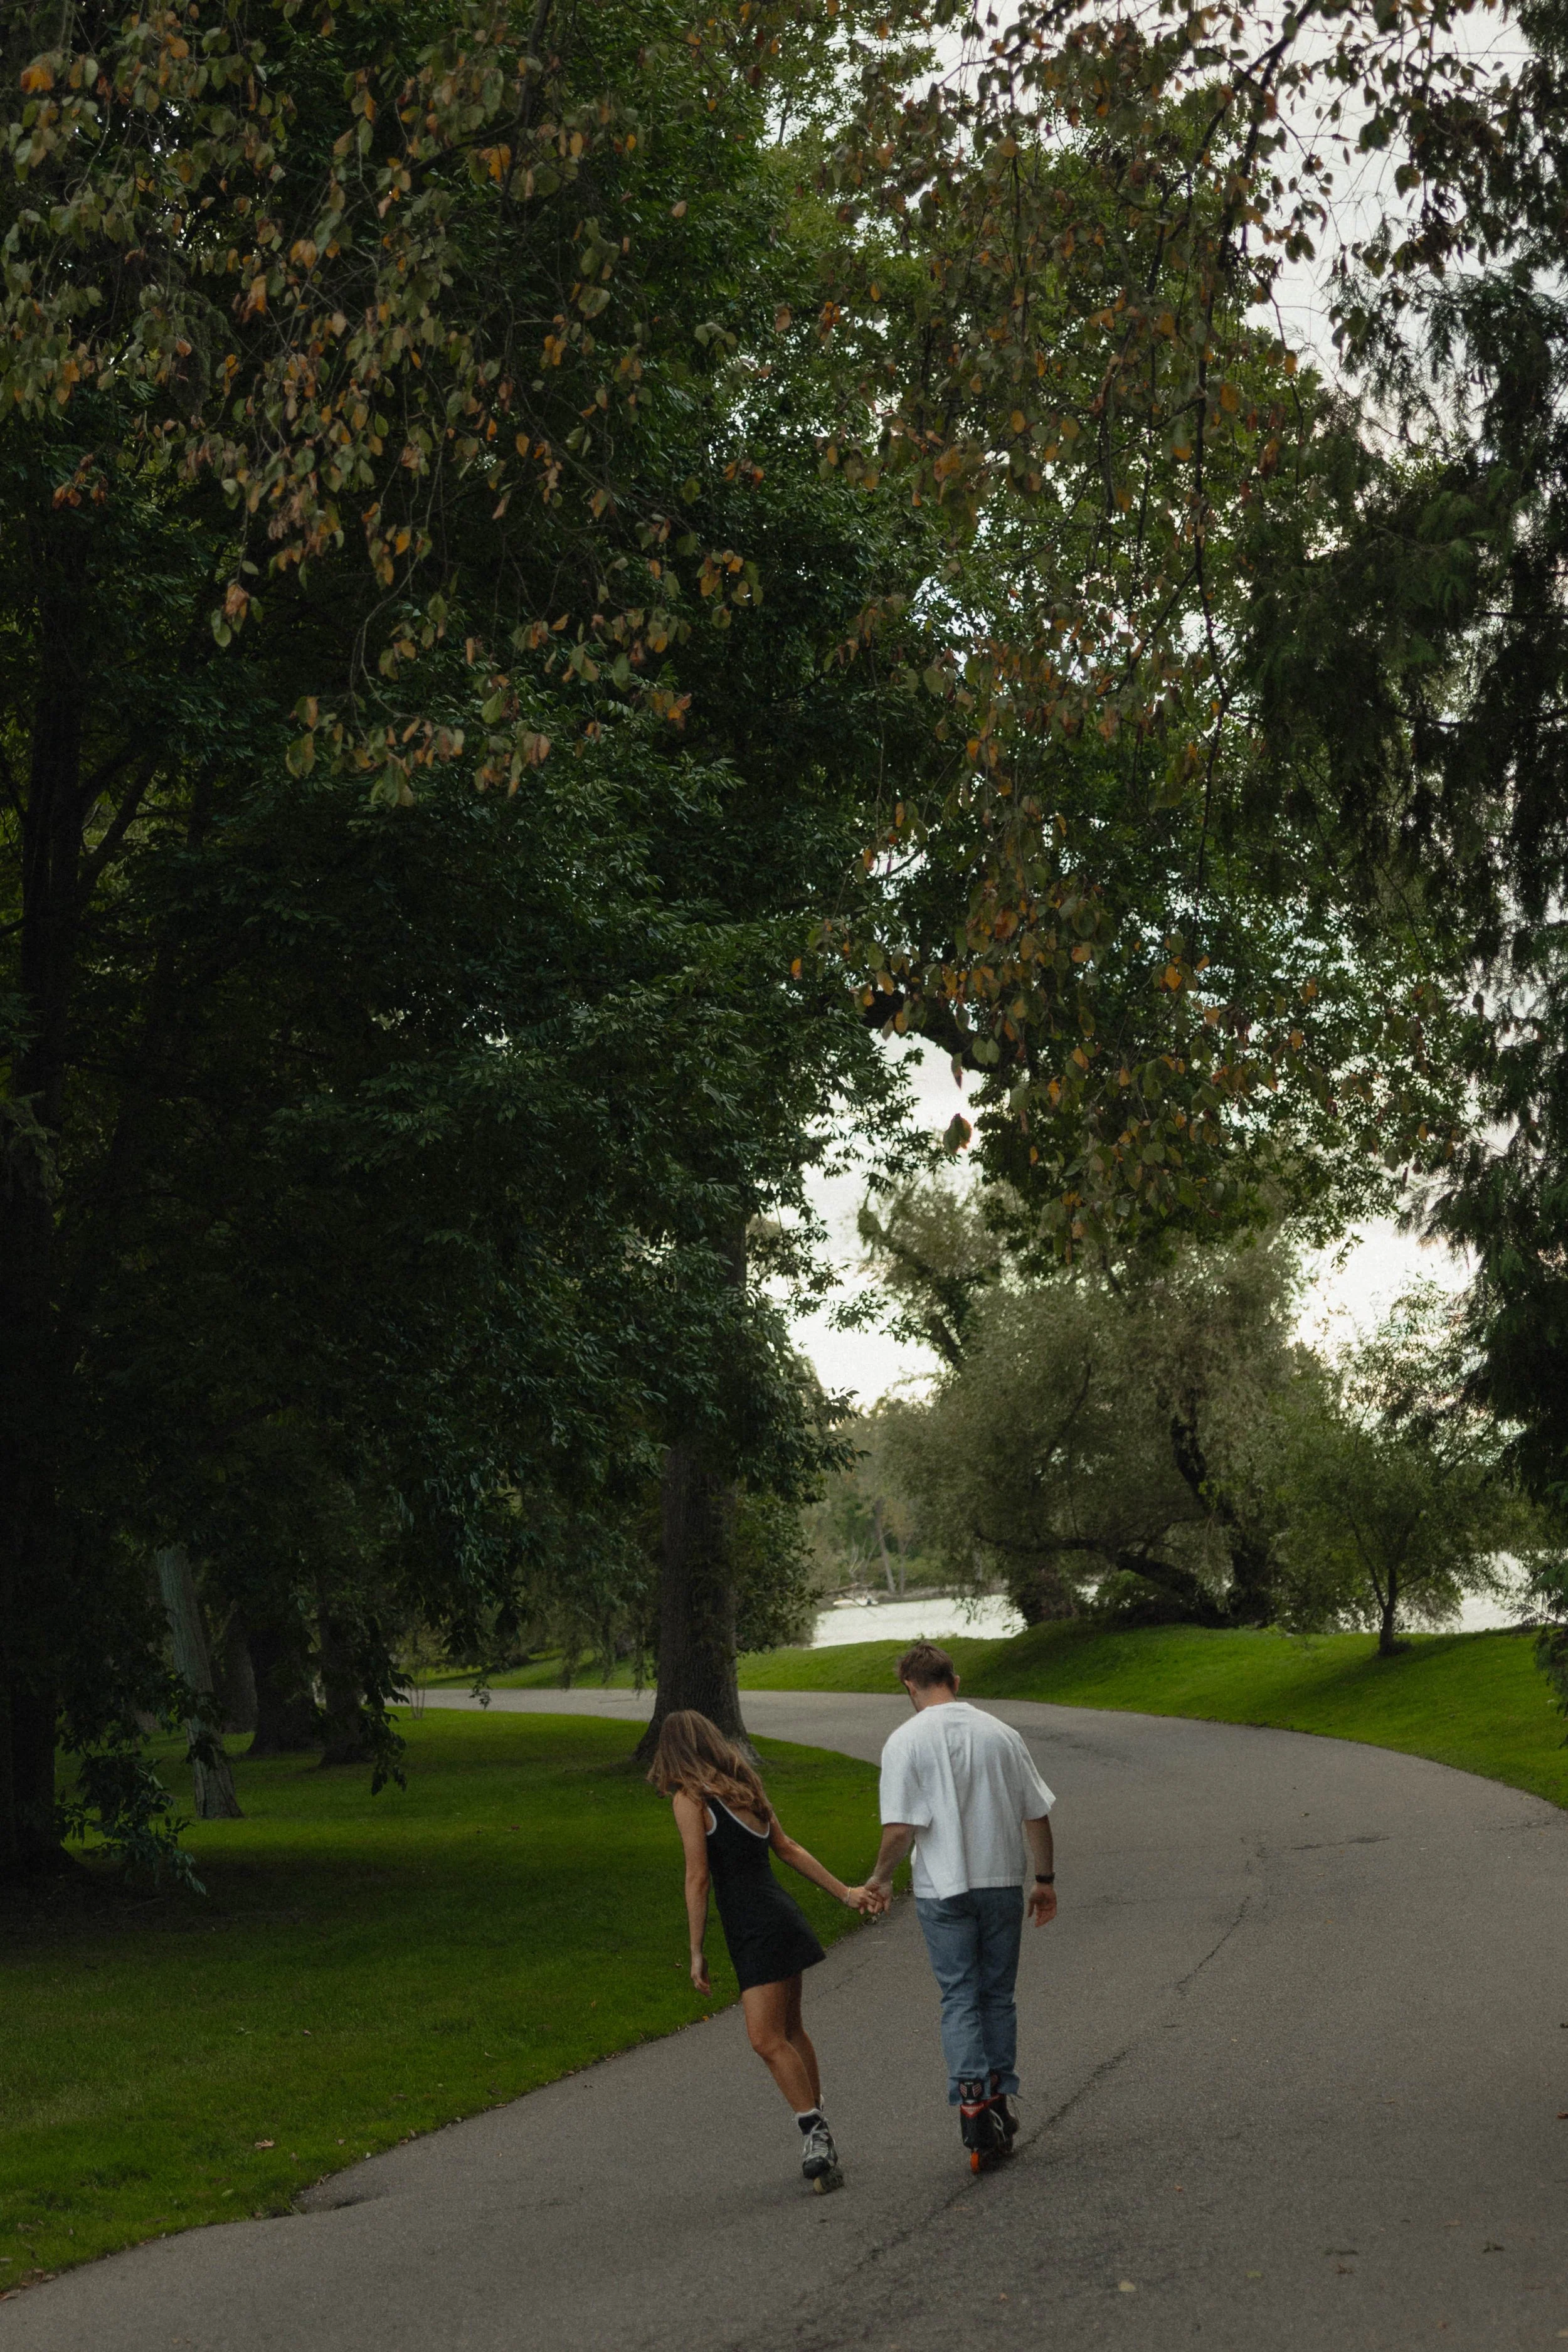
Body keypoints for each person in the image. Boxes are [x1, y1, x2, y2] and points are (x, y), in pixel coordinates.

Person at [649, 1708, 879, 2191]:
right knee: (790, 2030)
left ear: (671, 1752)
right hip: (781, 1916)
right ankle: (822, 2134)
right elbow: (789, 1848)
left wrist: (695, 1950)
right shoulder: (744, 1786)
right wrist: (846, 1893)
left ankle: (814, 2133)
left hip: (756, 1927)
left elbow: (698, 1877)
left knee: (764, 2038)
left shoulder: (691, 1799)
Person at [864, 1641, 1057, 2169]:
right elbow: (1036, 1814)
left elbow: (901, 1828)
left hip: (941, 1889)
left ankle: (974, 2101)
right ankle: (998, 2095)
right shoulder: (1002, 1734)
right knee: (997, 1995)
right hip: (1000, 1882)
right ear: (954, 1678)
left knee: (958, 1997)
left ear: (910, 1684)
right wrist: (1044, 1880)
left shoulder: (905, 1741)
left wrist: (881, 1879)